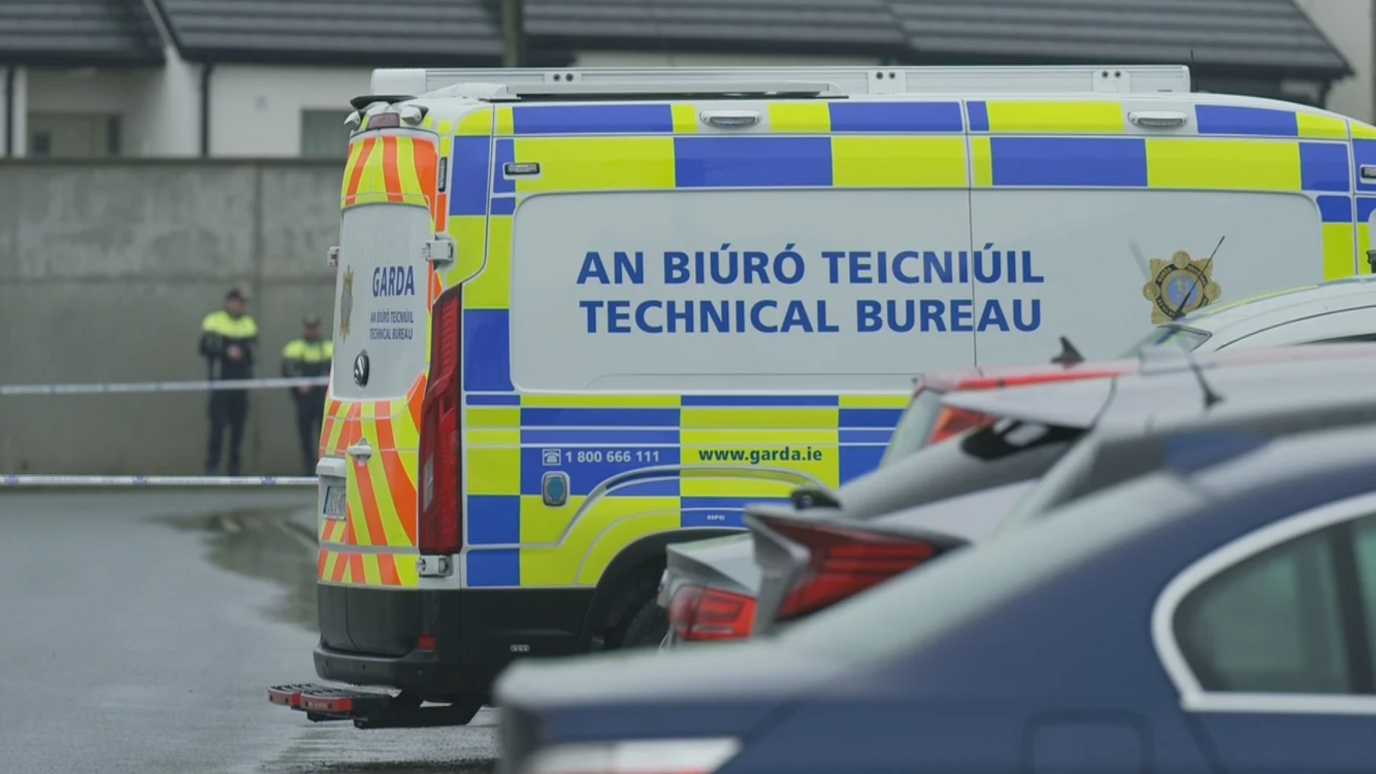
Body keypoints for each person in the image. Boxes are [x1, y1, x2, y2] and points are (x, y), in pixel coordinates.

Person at [199, 288, 258, 475]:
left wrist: (253, 376)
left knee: (238, 426)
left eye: (242, 303)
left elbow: (253, 353)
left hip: (240, 385)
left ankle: (234, 468)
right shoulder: (214, 321)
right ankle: (212, 467)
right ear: (229, 302)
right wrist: (226, 351)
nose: (239, 306)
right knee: (218, 425)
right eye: (237, 302)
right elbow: (205, 347)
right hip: (220, 384)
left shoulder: (248, 323)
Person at [282, 313, 333, 476]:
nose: (312, 331)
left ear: (320, 328)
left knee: (324, 436)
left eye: (315, 327)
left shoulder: (330, 347)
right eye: (309, 327)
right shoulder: (294, 348)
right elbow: (287, 370)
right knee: (305, 436)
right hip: (304, 400)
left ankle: (323, 469)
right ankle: (309, 470)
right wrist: (298, 383)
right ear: (305, 328)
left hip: (323, 400)